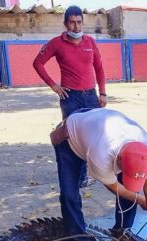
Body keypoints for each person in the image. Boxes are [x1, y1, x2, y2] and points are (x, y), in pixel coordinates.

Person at [52, 108, 147, 241]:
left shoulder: (146, 149)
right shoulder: (101, 153)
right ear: (120, 160)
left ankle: (122, 234)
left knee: (130, 192)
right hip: (70, 137)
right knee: (70, 195)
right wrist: (140, 200)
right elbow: (115, 188)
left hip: (98, 123)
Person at [33, 5, 107, 188]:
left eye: (79, 22)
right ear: (65, 24)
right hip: (71, 98)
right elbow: (38, 63)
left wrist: (103, 92)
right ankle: (78, 176)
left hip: (91, 96)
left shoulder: (90, 42)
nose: (76, 27)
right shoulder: (56, 43)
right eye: (72, 23)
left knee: (94, 136)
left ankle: (92, 173)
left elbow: (99, 67)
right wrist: (54, 86)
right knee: (74, 137)